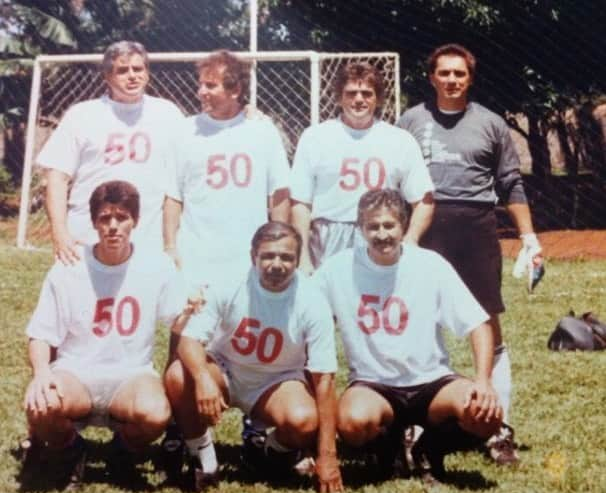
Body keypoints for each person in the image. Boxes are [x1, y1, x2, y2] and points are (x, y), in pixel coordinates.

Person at [398, 43, 542, 465]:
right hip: (425, 226)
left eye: (459, 74)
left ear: (470, 78)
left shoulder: (491, 124)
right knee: (421, 326)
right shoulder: (410, 121)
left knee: (487, 326)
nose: (452, 80)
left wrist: (529, 236)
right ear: (432, 77)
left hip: (477, 228)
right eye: (444, 73)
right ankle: (416, 424)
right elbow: (394, 179)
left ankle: (499, 429)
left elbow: (511, 183)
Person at [313, 189, 503, 483]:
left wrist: (483, 380)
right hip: (374, 384)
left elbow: (479, 324)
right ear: (361, 229)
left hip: (431, 382)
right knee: (351, 422)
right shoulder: (337, 269)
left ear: (403, 226)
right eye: (372, 226)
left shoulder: (429, 264)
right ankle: (388, 450)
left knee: (486, 414)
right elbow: (305, 311)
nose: (381, 234)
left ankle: (430, 449)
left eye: (389, 225)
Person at [22, 180, 194, 489]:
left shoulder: (156, 265)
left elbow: (176, 322)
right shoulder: (69, 265)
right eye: (104, 218)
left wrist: (189, 311)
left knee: (155, 414)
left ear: (135, 221)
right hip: (75, 372)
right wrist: (41, 373)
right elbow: (40, 333)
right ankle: (71, 450)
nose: (113, 226)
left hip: (130, 374)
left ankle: (122, 451)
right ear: (93, 222)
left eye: (122, 217)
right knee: (40, 404)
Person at [164, 222, 343, 493]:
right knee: (180, 375)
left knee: (304, 420)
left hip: (276, 381)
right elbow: (189, 340)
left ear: (297, 259)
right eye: (268, 255)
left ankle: (267, 454)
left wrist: (328, 456)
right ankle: (204, 459)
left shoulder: (312, 300)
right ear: (253, 257)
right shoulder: (229, 281)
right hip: (225, 369)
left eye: (286, 257)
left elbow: (325, 380)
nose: (277, 264)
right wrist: (202, 379)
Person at [37, 40, 184, 265]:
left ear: (147, 72)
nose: (132, 76)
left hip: (147, 239)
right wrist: (59, 232)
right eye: (122, 70)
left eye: (138, 69)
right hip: (87, 237)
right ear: (107, 76)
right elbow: (57, 177)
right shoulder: (82, 115)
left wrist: (246, 117)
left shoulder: (168, 114)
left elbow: (195, 157)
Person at [290, 62, 434, 275]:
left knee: (378, 304)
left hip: (381, 233)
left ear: (378, 99)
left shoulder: (400, 140)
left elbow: (424, 198)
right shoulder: (315, 137)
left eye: (367, 93)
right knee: (329, 304)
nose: (359, 100)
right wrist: (302, 257)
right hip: (329, 235)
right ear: (339, 97)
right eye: (351, 93)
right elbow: (300, 202)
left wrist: (410, 239)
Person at [163, 50, 290, 287]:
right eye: (201, 84)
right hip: (196, 255)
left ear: (235, 91)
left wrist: (279, 242)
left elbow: (279, 193)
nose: (201, 92)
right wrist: (170, 247)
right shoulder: (184, 131)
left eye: (211, 86)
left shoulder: (262, 130)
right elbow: (173, 197)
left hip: (247, 255)